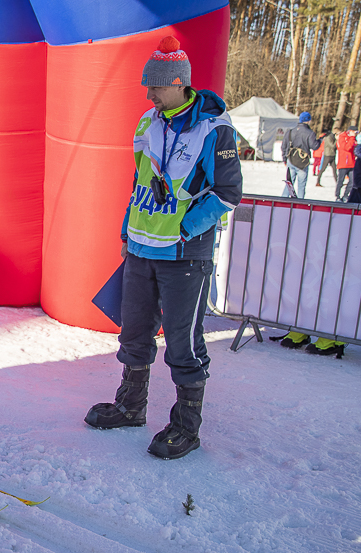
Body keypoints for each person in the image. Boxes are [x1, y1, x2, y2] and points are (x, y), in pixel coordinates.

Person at [83, 36, 242, 460]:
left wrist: (185, 230)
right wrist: (126, 232)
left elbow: (228, 192)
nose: (149, 94)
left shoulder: (215, 127)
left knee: (182, 341)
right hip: (140, 248)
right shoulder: (146, 123)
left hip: (184, 255)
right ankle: (130, 406)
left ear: (177, 83)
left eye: (155, 87)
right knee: (134, 333)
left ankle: (186, 427)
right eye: (147, 87)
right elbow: (139, 183)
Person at [281, 112, 319, 199]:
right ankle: (300, 202)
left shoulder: (290, 132)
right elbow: (314, 146)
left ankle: (283, 200)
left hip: (291, 159)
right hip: (302, 162)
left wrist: (284, 158)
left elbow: (284, 146)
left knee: (289, 183)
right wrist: (319, 141)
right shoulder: (310, 133)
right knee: (301, 185)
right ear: (308, 121)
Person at [336, 126, 357, 202]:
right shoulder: (342, 137)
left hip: (351, 163)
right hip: (343, 163)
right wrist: (352, 138)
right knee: (340, 181)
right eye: (355, 132)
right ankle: (337, 196)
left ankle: (345, 195)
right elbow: (347, 148)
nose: (355, 134)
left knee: (352, 181)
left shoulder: (353, 138)